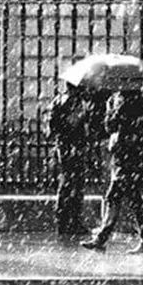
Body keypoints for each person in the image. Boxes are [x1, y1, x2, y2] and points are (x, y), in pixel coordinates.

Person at [81, 84, 143, 254]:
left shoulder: (136, 103)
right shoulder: (117, 100)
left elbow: (131, 126)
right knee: (125, 197)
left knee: (123, 197)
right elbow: (110, 126)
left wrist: (117, 112)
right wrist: (112, 110)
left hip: (130, 155)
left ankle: (103, 238)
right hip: (122, 154)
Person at [47, 80, 91, 241]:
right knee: (76, 184)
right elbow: (78, 124)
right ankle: (74, 221)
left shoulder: (58, 100)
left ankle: (62, 220)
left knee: (65, 183)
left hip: (63, 146)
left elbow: (52, 127)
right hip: (74, 146)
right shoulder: (76, 102)